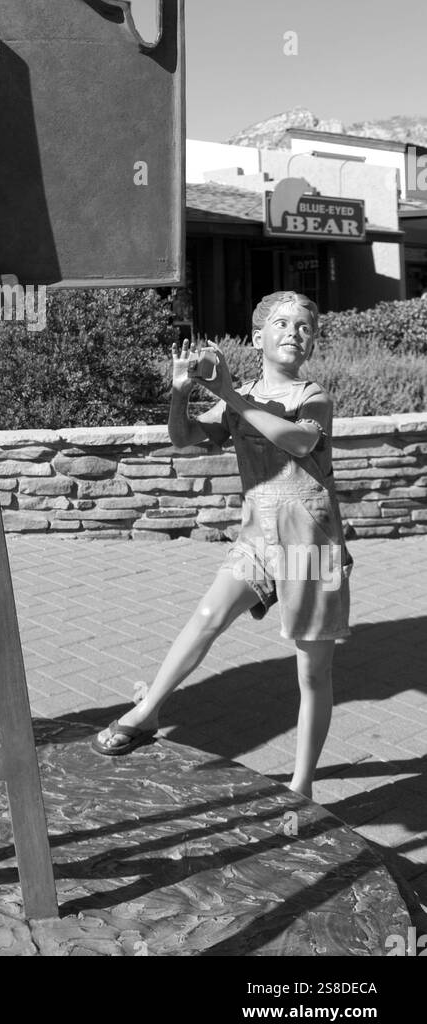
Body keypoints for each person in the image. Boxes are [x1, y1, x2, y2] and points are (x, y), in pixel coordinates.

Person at [93, 291, 353, 800]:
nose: (293, 332)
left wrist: (232, 396)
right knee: (208, 615)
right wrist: (179, 392)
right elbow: (184, 436)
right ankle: (147, 713)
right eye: (281, 323)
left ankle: (301, 784)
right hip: (258, 538)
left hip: (312, 546)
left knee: (313, 673)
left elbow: (297, 441)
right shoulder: (246, 393)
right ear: (258, 338)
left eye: (304, 326)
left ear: (313, 342)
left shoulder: (312, 396)